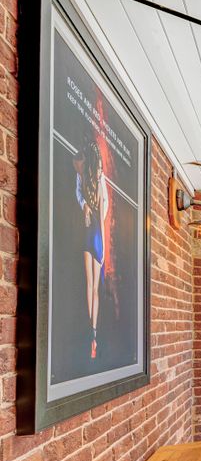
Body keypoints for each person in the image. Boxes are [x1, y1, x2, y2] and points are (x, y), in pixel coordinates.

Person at [76, 140, 108, 360]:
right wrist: (103, 248)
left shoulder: (87, 178)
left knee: (90, 285)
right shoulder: (95, 180)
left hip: (89, 233)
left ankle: (92, 332)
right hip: (94, 234)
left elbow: (83, 199)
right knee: (93, 287)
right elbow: (102, 220)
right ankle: (93, 332)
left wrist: (85, 206)